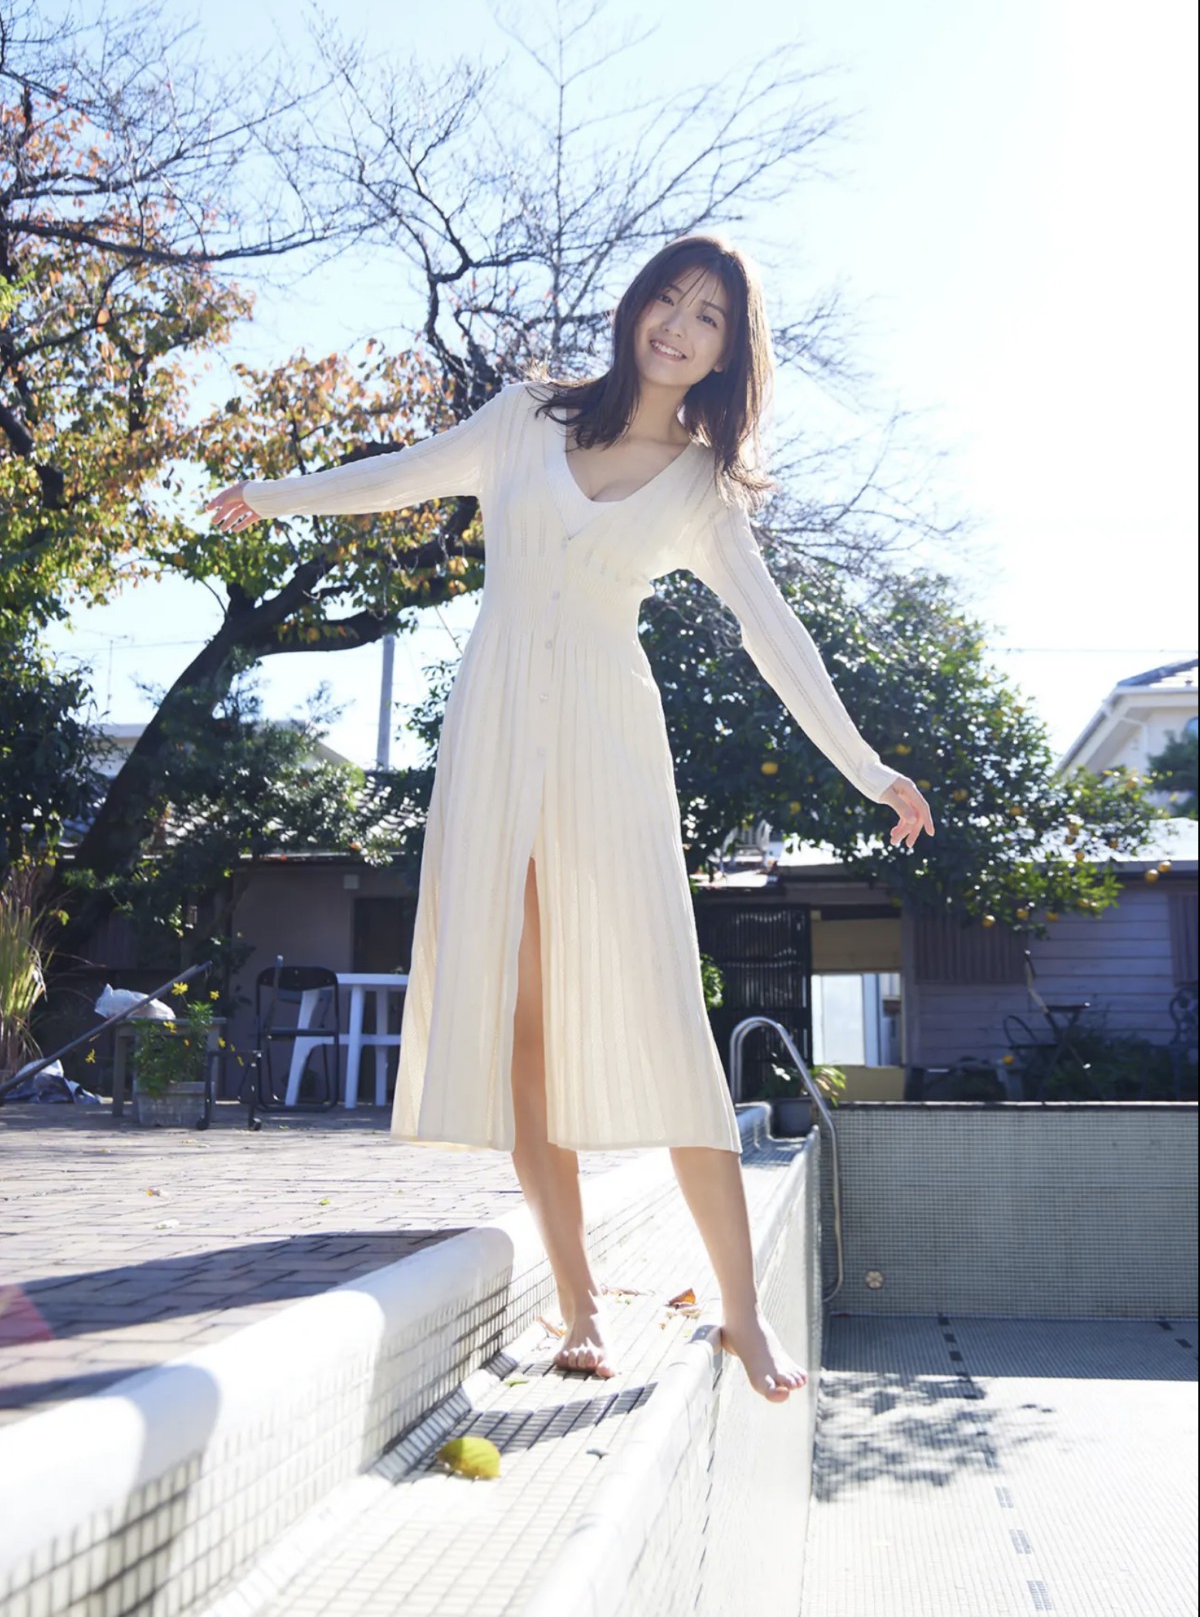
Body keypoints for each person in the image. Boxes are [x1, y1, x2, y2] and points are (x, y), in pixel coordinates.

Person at [205, 233, 934, 1402]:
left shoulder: (703, 485)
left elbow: (776, 635)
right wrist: (275, 495)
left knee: (668, 1011)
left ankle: (743, 1316)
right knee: (525, 1028)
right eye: (668, 299)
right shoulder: (526, 418)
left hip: (610, 745)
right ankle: (581, 1301)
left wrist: (868, 767)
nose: (679, 326)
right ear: (636, 306)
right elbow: (400, 473)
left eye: (709, 316)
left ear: (727, 353)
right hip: (496, 733)